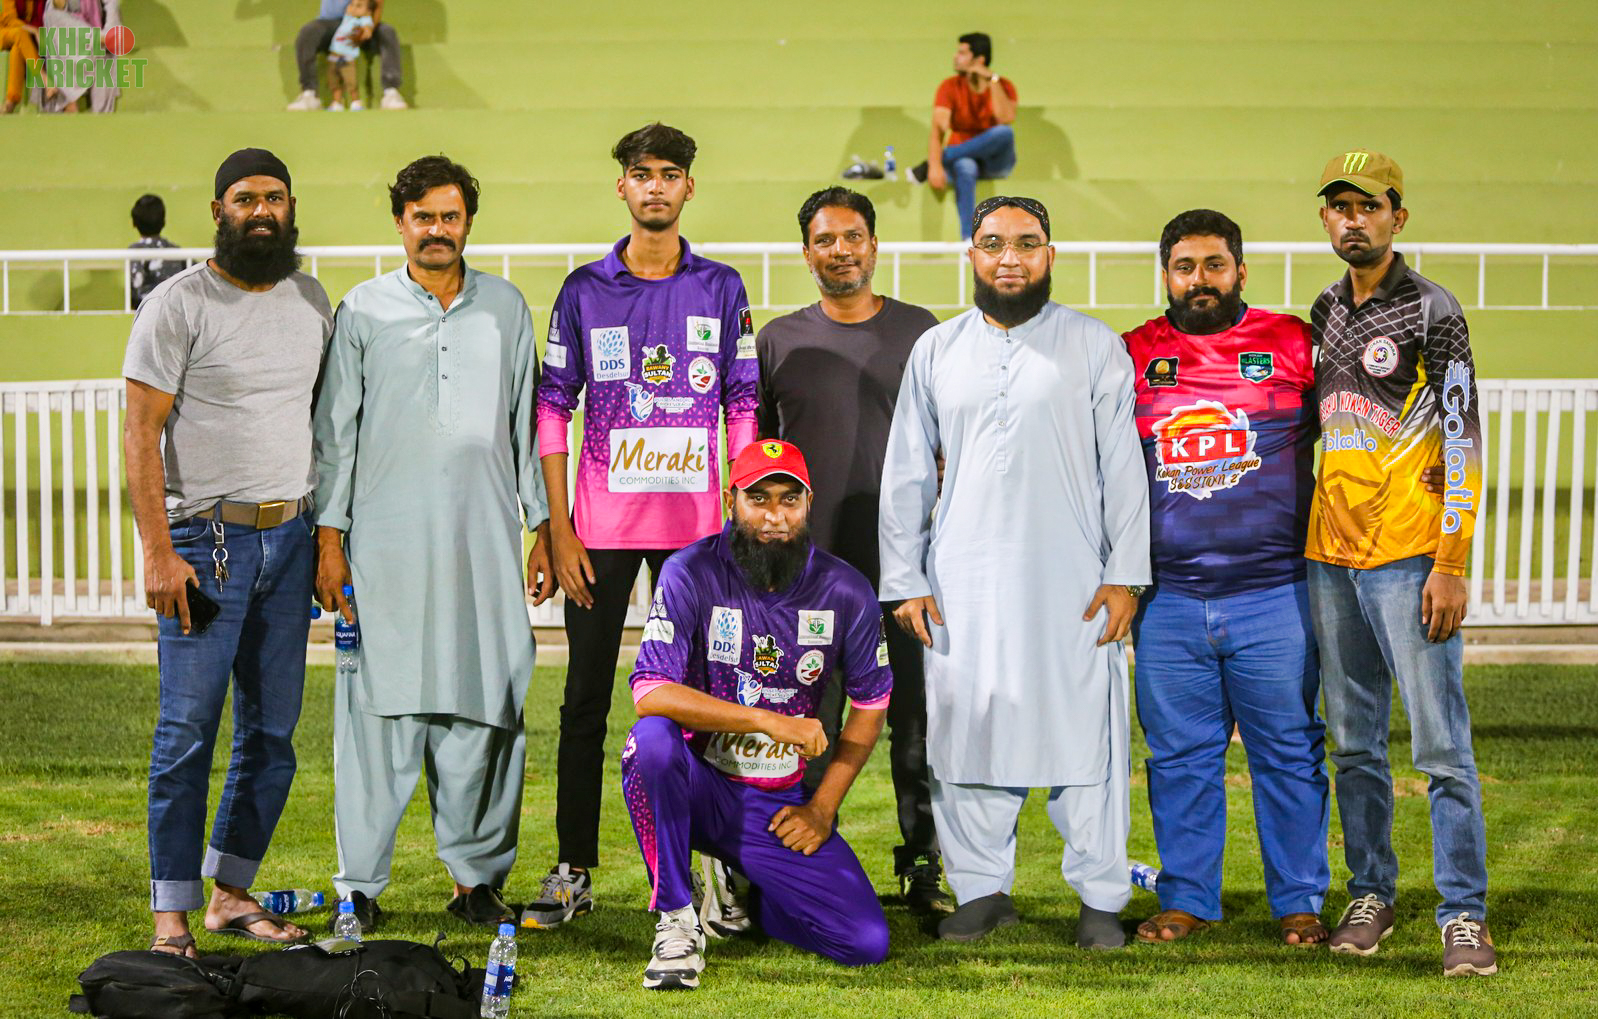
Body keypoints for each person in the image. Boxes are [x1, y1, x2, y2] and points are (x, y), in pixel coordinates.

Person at [879, 196, 1149, 948]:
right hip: (962, 583)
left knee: (1087, 738)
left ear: (1050, 256)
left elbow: (1124, 468)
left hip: (1076, 581)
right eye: (994, 243)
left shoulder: (1092, 344)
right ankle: (980, 891)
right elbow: (906, 469)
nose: (1010, 258)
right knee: (967, 731)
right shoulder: (938, 349)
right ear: (972, 255)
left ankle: (1100, 898)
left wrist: (1126, 574)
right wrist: (905, 577)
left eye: (1027, 244)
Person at [526, 122, 759, 928]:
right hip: (598, 532)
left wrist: (738, 513)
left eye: (668, 173)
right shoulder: (583, 290)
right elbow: (552, 405)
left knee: (709, 697)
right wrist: (559, 526)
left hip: (697, 536)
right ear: (621, 186)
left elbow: (741, 400)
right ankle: (573, 869)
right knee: (584, 701)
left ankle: (721, 867)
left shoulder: (722, 286)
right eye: (641, 173)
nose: (654, 185)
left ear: (689, 186)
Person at [311, 155, 553, 932]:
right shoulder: (363, 311)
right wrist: (329, 539)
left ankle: (475, 879)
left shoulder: (506, 309)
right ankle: (358, 885)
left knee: (487, 702)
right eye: (423, 217)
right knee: (376, 712)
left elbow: (526, 427)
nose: (437, 230)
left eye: (450, 216)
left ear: (468, 222)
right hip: (383, 550)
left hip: (483, 545)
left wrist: (544, 526)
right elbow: (335, 436)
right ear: (400, 223)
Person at [123, 148, 333, 957]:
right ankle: (171, 917)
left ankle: (230, 894)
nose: (261, 211)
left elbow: (319, 423)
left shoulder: (311, 299)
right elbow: (140, 432)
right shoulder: (177, 304)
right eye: (245, 199)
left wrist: (324, 538)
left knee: (273, 734)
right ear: (219, 211)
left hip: (290, 538)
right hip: (204, 545)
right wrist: (156, 551)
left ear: (291, 207)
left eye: (275, 197)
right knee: (188, 731)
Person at [1306, 150, 1495, 977]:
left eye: (1369, 206)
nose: (1354, 219)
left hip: (1410, 559)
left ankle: (1463, 912)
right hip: (1330, 558)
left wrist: (1450, 560)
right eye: (1340, 206)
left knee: (1440, 748)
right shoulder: (1324, 307)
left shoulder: (1432, 308)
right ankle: (1371, 892)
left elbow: (1463, 433)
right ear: (1326, 218)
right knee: (1352, 744)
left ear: (1398, 216)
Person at [1122, 209, 1331, 946]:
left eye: (1214, 265)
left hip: (1277, 594)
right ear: (1166, 274)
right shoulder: (1133, 352)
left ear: (1241, 271)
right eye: (1185, 267)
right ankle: (1187, 900)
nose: (1200, 279)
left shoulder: (1292, 342)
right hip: (1170, 600)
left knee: (1289, 753)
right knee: (1178, 758)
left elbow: (1351, 434)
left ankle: (1299, 902)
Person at [621, 439, 892, 990]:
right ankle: (676, 918)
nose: (774, 516)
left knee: (864, 942)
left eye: (789, 500)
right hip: (698, 786)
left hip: (775, 803)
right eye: (758, 499)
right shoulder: (689, 571)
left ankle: (751, 888)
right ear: (731, 500)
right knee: (650, 742)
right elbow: (650, 692)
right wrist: (767, 720)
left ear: (809, 503)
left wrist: (822, 809)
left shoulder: (847, 590)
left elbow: (871, 706)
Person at [754, 186, 950, 915]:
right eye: (825, 239)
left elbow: (949, 445)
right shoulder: (778, 341)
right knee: (809, 720)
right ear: (806, 252)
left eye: (852, 236)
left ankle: (922, 862)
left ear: (873, 244)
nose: (840, 250)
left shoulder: (922, 333)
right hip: (808, 577)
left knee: (915, 723)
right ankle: (795, 866)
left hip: (906, 572)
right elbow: (758, 466)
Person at [909, 33, 1017, 240]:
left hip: (996, 162)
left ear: (979, 59)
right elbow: (939, 127)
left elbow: (1006, 117)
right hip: (964, 159)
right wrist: (935, 166)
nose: (955, 57)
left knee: (1004, 133)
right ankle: (969, 238)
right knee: (965, 165)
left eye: (962, 53)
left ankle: (945, 156)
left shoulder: (1003, 85)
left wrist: (992, 80)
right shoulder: (950, 86)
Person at [287, 0, 406, 111]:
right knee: (307, 33)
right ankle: (309, 93)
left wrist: (369, 28)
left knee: (387, 32)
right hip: (329, 23)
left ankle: (391, 92)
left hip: (360, 23)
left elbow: (378, 5)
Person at [33, 0, 120, 114]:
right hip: (68, 37)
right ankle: (68, 99)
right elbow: (57, 8)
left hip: (94, 35)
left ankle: (98, 112)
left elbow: (111, 5)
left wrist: (110, 29)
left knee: (105, 54)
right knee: (51, 16)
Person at [128, 195, 184, 310]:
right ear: (163, 222)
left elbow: (133, 293)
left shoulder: (133, 253)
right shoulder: (178, 253)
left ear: (134, 223)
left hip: (143, 312)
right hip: (174, 310)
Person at [324, 0, 372, 111]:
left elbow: (368, 31)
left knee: (351, 81)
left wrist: (364, 33)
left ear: (368, 11)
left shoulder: (363, 20)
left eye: (359, 6)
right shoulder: (347, 18)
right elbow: (348, 12)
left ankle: (356, 102)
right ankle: (336, 103)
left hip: (347, 57)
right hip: (334, 56)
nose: (353, 8)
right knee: (334, 81)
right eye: (351, 4)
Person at [1, 0, 46, 114]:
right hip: (5, 31)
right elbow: (9, 19)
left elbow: (39, 18)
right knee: (20, 34)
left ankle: (11, 101)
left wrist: (36, 31)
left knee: (17, 48)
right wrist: (33, 30)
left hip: (23, 37)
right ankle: (42, 76)